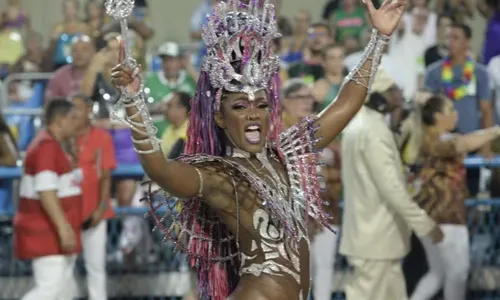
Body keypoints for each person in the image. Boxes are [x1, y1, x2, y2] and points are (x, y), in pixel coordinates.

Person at [110, 0, 405, 299]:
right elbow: (161, 169)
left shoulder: (287, 154)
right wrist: (134, 101)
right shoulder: (222, 175)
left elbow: (345, 103)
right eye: (240, 106)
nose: (253, 113)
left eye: (261, 105)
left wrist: (379, 37)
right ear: (220, 118)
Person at [340, 70, 443, 300]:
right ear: (377, 97)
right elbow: (391, 188)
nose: (398, 96)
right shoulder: (373, 132)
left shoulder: (361, 126)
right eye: (392, 91)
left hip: (375, 238)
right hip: (375, 238)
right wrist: (424, 224)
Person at [410, 95, 500, 300]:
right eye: (450, 111)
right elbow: (464, 144)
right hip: (445, 217)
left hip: (433, 217)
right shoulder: (434, 140)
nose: (455, 114)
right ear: (436, 116)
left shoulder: (426, 139)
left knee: (438, 274)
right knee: (457, 273)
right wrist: (496, 130)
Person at [14, 99, 81, 300]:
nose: (76, 123)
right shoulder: (46, 148)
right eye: (72, 118)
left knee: (66, 291)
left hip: (52, 230)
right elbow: (46, 191)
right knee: (51, 290)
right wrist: (63, 228)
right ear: (60, 120)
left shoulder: (51, 145)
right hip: (46, 231)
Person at [424, 23, 493, 197]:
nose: (451, 42)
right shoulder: (434, 73)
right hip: (444, 147)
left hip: (473, 145)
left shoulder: (480, 73)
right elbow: (428, 112)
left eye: (456, 38)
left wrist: (486, 146)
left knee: (472, 194)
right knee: (445, 196)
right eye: (448, 38)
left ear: (467, 41)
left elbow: (486, 110)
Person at [71, 94, 116, 300]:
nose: (73, 113)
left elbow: (106, 176)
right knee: (65, 266)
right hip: (66, 213)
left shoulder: (101, 137)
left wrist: (101, 207)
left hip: (94, 211)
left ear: (89, 110)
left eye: (78, 109)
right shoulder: (63, 137)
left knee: (95, 266)